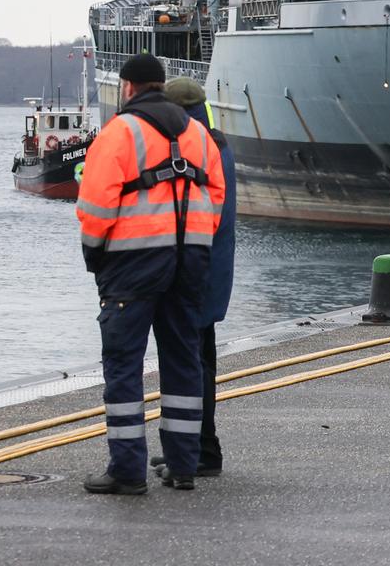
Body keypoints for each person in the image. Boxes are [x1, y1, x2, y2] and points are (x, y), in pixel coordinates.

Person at [77, 53, 225, 495]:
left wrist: (95, 256)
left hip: (132, 263)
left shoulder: (118, 133)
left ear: (127, 88)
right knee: (183, 360)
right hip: (190, 262)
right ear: (161, 85)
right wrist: (197, 239)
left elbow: (96, 206)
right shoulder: (199, 133)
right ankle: (183, 466)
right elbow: (215, 196)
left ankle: (126, 471)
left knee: (124, 363)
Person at [160, 76, 236, 480]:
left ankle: (204, 450)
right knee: (199, 359)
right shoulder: (219, 143)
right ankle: (190, 445)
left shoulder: (198, 149)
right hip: (213, 270)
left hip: (197, 272)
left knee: (193, 364)